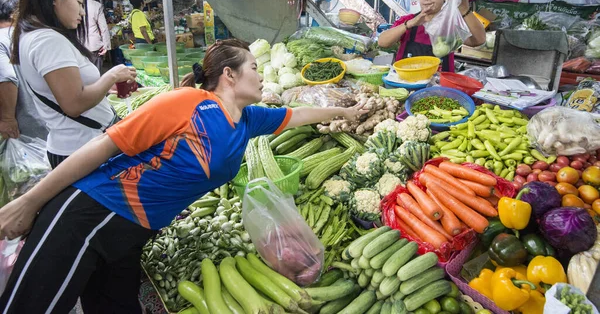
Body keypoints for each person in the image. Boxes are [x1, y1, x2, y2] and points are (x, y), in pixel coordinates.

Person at [0, 38, 367, 313]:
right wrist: (29, 202)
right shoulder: (184, 103)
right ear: (229, 74)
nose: (259, 74)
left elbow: (299, 114)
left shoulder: (249, 120)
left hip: (132, 233)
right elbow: (101, 148)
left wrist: (349, 113)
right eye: (253, 67)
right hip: (91, 213)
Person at [10, 0, 137, 169]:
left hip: (77, 147)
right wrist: (111, 75)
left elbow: (65, 92)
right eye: (79, 2)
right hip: (82, 150)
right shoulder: (47, 40)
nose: (83, 12)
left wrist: (105, 87)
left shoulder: (31, 35)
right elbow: (74, 104)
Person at [378, 0, 486, 72]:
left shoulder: (449, 25)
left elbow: (478, 40)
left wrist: (464, 9)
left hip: (439, 88)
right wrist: (410, 24)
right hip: (406, 84)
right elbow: (382, 42)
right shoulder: (408, 21)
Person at [0, 0, 48, 140]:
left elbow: (7, 77)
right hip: (48, 118)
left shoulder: (1, 40)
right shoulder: (31, 35)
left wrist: (7, 119)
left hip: (24, 127)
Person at [84, 0, 111, 73]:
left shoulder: (69, 5)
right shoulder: (96, 5)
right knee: (96, 73)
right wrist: (106, 46)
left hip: (78, 45)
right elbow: (104, 28)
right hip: (94, 45)